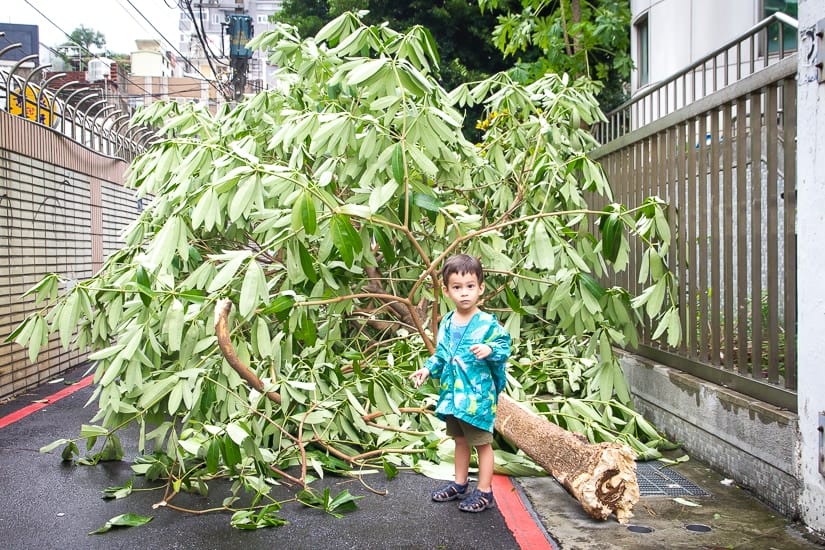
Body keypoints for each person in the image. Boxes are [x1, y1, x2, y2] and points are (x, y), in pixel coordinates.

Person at [410, 254, 511, 513]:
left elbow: (504, 346)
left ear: (481, 287)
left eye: (470, 286)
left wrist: (489, 348)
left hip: (477, 398)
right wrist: (426, 369)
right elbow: (442, 354)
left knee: (482, 444)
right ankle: (459, 484)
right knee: (460, 441)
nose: (464, 293)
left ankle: (485, 491)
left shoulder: (487, 323)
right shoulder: (447, 322)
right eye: (457, 287)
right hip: (453, 396)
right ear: (446, 290)